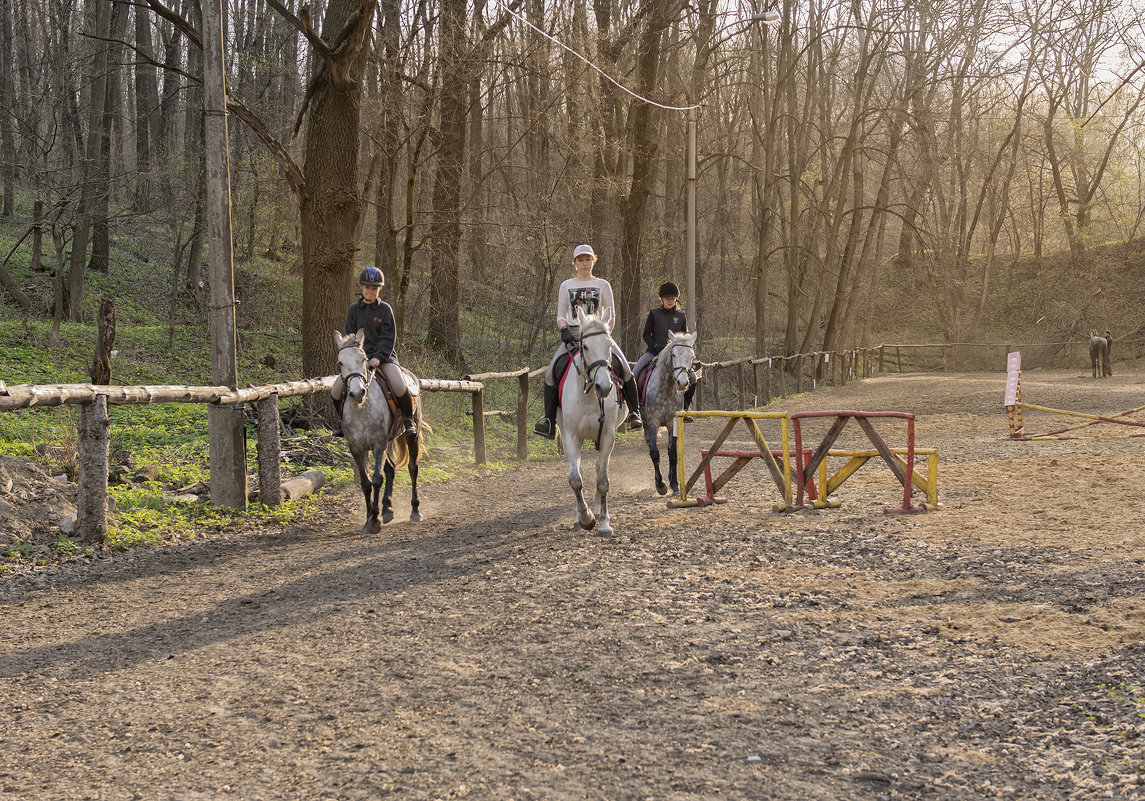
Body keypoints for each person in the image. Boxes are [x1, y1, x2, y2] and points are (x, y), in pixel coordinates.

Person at [533, 244, 643, 439]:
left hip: (599, 336)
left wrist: (604, 332)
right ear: (575, 263)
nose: (585, 263)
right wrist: (564, 329)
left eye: (588, 259)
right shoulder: (566, 285)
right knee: (551, 373)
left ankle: (634, 413)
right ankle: (549, 421)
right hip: (574, 335)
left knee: (625, 369)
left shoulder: (603, 285)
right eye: (580, 260)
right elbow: (561, 315)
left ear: (594, 260)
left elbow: (611, 314)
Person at [331, 266, 417, 438]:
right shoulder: (353, 310)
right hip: (359, 360)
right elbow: (350, 338)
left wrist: (378, 357)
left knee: (399, 384)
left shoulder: (385, 309)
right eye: (367, 287)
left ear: (379, 289)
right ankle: (342, 422)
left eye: (374, 288)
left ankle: (408, 420)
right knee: (336, 389)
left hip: (384, 358)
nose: (370, 291)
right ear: (362, 288)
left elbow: (388, 337)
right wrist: (358, 357)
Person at [631, 281, 698, 412]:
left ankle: (685, 407)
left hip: (676, 355)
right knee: (634, 374)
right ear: (661, 299)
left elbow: (685, 337)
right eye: (667, 299)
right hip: (654, 352)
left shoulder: (681, 316)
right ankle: (635, 410)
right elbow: (646, 335)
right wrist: (656, 346)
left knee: (694, 378)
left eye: (672, 298)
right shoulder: (654, 313)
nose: (670, 301)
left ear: (676, 299)